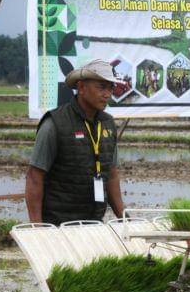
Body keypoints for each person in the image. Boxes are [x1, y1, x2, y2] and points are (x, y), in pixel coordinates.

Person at [25, 59, 126, 225]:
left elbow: (112, 175)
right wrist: (37, 227)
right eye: (101, 87)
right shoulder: (54, 123)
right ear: (81, 87)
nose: (107, 94)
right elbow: (34, 177)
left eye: (110, 88)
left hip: (94, 223)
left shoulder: (108, 124)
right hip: (58, 224)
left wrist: (125, 219)